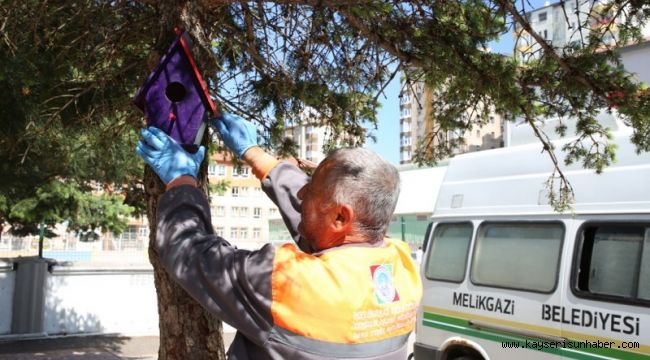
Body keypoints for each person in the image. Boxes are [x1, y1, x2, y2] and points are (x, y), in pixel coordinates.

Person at [135, 113, 422, 359]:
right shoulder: (402, 270)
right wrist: (254, 154)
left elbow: (188, 251)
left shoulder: (288, 284)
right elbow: (323, 227)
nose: (301, 192)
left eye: (310, 190)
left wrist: (181, 180)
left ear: (340, 217)